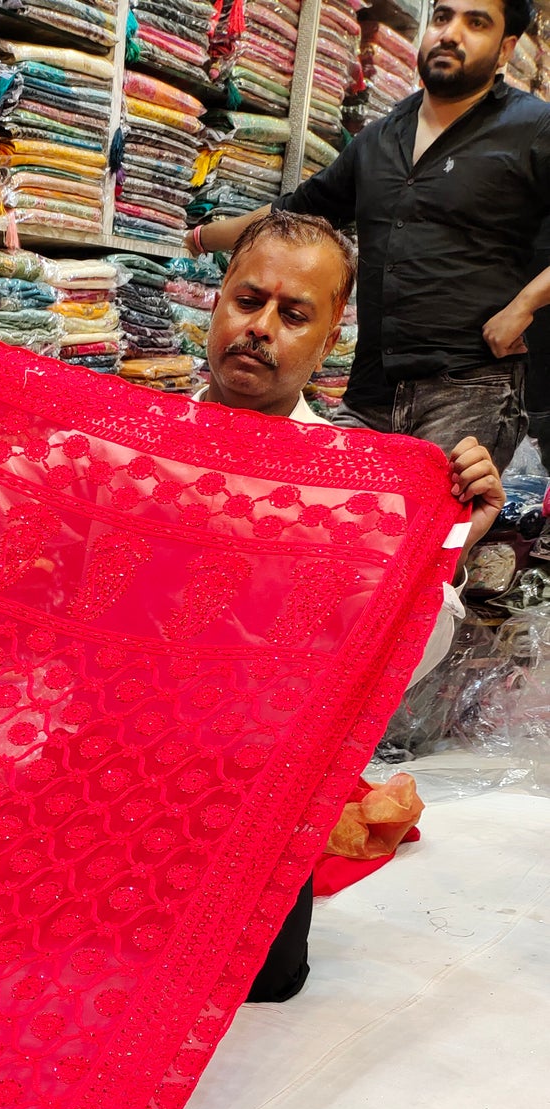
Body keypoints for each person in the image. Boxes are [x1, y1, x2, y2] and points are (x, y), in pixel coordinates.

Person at [196, 209, 507, 1000]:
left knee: (260, 978)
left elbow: (389, 676)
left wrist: (450, 545)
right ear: (217, 302)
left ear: (329, 340)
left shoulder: (359, 493)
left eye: (292, 313)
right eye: (247, 300)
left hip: (252, 781)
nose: (260, 327)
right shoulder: (125, 439)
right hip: (110, 749)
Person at [188, 0, 550, 472]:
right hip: (370, 388)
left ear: (505, 49)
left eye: (475, 23)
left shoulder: (532, 127)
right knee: (329, 517)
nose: (450, 34)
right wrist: (198, 237)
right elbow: (293, 211)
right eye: (442, 18)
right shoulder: (381, 138)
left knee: (427, 536)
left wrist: (524, 306)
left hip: (467, 387)